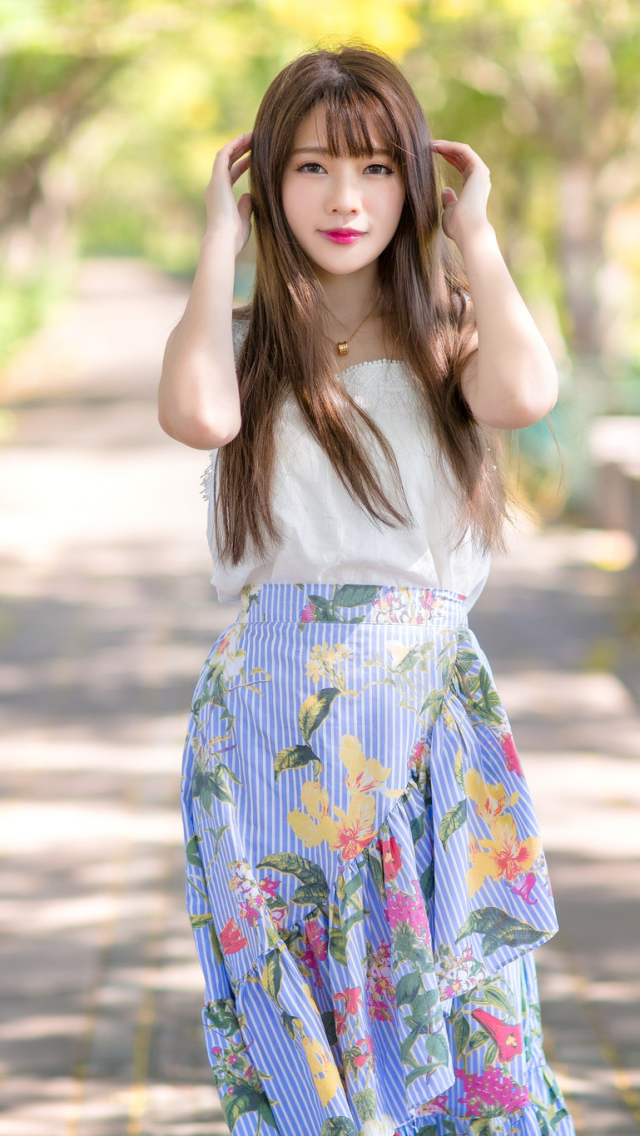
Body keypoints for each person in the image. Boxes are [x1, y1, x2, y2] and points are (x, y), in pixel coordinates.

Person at [158, 44, 575, 1136]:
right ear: (264, 184)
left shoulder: (452, 333)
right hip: (267, 738)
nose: (346, 198)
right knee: (305, 1052)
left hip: (425, 724)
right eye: (308, 168)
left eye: (378, 167)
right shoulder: (246, 350)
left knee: (470, 1033)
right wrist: (217, 237)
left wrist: (473, 234)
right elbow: (197, 415)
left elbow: (527, 392)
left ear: (415, 182)